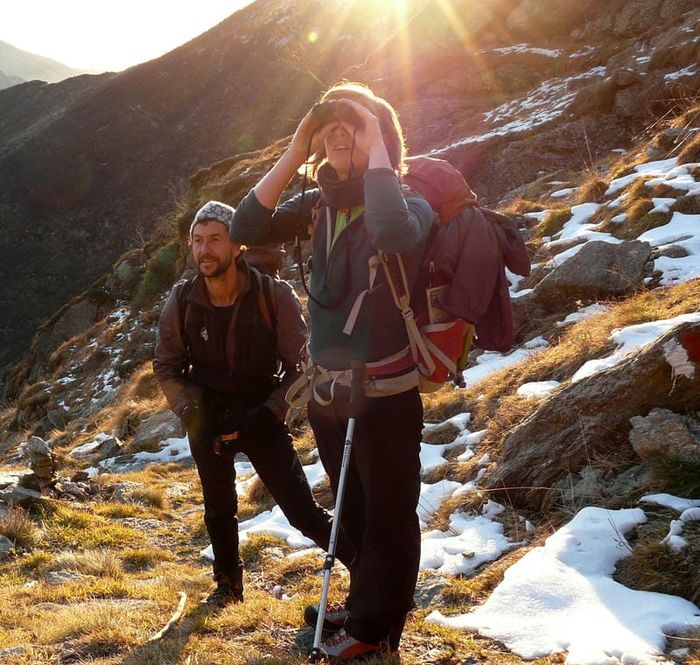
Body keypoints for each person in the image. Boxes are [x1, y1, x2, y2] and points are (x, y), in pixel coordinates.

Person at [231, 83, 433, 658]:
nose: (340, 135)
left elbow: (394, 233)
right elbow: (245, 228)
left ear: (382, 142)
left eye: (355, 128)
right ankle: (370, 599)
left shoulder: (406, 199)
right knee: (353, 504)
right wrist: (297, 148)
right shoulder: (318, 205)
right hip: (329, 388)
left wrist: (373, 147)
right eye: (332, 131)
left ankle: (374, 629)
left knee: (390, 509)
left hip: (386, 389)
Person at [153, 200, 350, 606]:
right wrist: (192, 415)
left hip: (260, 414)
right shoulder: (183, 298)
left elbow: (302, 367)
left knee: (303, 512)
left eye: (215, 240)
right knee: (218, 510)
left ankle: (372, 576)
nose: (204, 250)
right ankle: (228, 587)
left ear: (237, 245)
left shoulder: (273, 294)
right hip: (207, 415)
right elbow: (166, 366)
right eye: (197, 241)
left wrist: (269, 414)